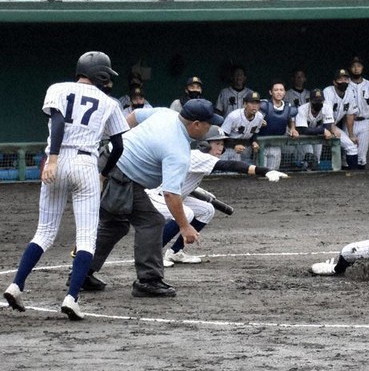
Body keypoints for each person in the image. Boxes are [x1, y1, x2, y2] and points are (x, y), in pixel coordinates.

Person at [4, 51, 129, 321]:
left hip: (56, 161)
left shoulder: (57, 88)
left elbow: (58, 122)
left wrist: (52, 160)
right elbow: (118, 146)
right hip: (85, 163)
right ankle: (72, 298)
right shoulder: (110, 103)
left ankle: (16, 285)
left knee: (45, 232)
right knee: (86, 238)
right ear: (101, 74)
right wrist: (104, 174)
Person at [75, 98, 224, 298]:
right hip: (121, 176)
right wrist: (184, 226)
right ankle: (148, 280)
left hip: (109, 161)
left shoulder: (165, 113)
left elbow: (134, 117)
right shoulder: (178, 149)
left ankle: (81, 273)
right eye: (208, 123)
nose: (211, 127)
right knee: (152, 222)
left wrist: (120, 141)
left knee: (115, 225)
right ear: (196, 124)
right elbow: (171, 194)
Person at [150, 125, 287, 267]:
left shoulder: (200, 157)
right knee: (187, 214)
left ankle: (175, 252)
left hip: (174, 196)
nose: (220, 147)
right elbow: (231, 165)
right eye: (217, 143)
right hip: (156, 197)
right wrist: (264, 171)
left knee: (206, 210)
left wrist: (197, 190)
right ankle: (151, 255)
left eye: (222, 144)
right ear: (204, 144)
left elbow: (182, 180)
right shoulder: (199, 156)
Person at [322, 68, 359, 170]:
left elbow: (350, 115)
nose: (343, 81)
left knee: (352, 146)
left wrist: (351, 135)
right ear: (334, 82)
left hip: (331, 126)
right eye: (340, 79)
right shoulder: (328, 91)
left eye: (346, 79)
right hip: (319, 125)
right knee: (311, 153)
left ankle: (354, 175)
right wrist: (333, 128)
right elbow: (327, 113)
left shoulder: (350, 92)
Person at [258, 79, 299, 170]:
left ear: (285, 92)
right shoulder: (264, 105)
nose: (279, 92)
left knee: (273, 173)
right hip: (261, 143)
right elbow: (252, 114)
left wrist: (292, 128)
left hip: (276, 143)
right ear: (270, 92)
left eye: (281, 90)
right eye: (276, 90)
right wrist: (259, 121)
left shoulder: (288, 107)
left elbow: (290, 119)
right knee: (260, 173)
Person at [220, 91, 265, 165]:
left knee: (245, 173)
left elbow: (255, 133)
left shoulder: (259, 117)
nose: (254, 106)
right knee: (226, 173)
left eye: (257, 103)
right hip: (229, 148)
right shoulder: (234, 116)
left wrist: (254, 141)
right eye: (251, 103)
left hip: (246, 148)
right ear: (245, 104)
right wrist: (234, 145)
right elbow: (222, 135)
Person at [295, 88, 334, 169]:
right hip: (303, 137)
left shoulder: (327, 108)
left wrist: (324, 130)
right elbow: (303, 130)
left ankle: (315, 179)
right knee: (309, 157)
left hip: (317, 136)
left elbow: (328, 127)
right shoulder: (302, 109)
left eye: (320, 100)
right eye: (315, 100)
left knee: (317, 159)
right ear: (310, 100)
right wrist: (322, 130)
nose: (318, 103)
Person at [348, 56, 369, 169]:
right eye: (353, 66)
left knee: (362, 156)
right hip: (348, 122)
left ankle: (360, 183)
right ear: (350, 68)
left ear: (362, 68)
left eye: (359, 66)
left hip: (364, 122)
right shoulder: (346, 84)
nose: (356, 68)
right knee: (347, 152)